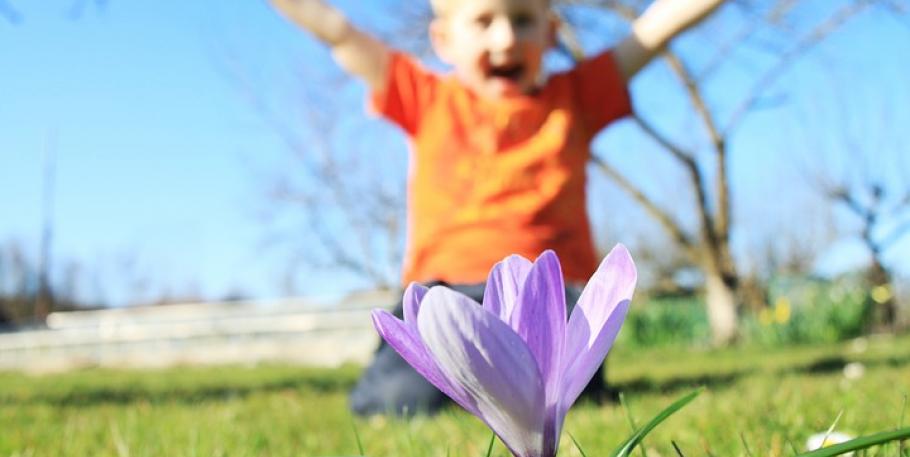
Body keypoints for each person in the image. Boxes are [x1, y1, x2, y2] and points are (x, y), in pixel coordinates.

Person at [269, 0, 726, 416]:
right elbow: (340, 33)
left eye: (524, 19)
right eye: (484, 21)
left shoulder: (577, 98)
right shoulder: (426, 99)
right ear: (443, 40)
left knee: (556, 397)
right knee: (398, 402)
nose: (506, 38)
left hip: (549, 300)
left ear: (550, 34)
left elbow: (654, 30)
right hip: (446, 295)